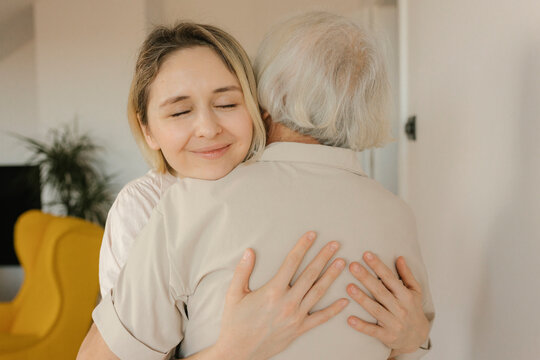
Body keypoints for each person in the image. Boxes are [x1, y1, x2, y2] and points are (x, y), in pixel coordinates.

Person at [79, 15, 433, 360]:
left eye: (227, 103)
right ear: (147, 130)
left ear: (260, 104)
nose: (207, 128)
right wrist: (232, 351)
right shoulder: (148, 205)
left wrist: (414, 339)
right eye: (179, 112)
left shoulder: (194, 205)